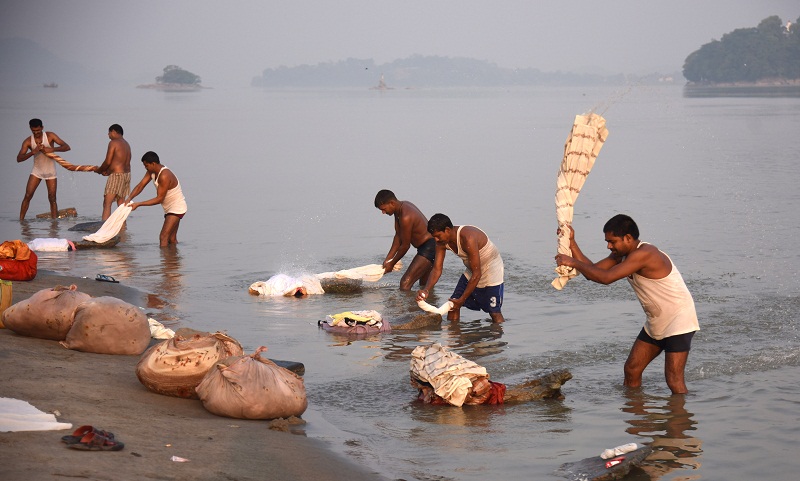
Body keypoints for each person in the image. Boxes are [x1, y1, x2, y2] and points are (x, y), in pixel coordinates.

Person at [554, 214, 700, 394]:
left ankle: (681, 420)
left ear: (628, 238)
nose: (609, 246)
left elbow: (605, 278)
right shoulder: (621, 255)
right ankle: (636, 417)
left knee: (674, 380)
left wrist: (573, 262)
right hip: (657, 320)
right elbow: (594, 272)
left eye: (612, 241)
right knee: (632, 370)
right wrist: (571, 242)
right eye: (607, 242)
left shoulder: (645, 254)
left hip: (679, 320)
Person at [415, 213, 505, 323]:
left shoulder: (468, 237)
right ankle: (454, 337)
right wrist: (426, 289)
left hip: (491, 269)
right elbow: (437, 269)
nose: (436, 240)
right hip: (472, 269)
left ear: (447, 230)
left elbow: (477, 274)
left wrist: (462, 299)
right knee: (453, 306)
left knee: (494, 312)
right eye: (434, 237)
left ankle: (499, 336)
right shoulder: (441, 243)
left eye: (438, 236)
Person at [374, 190, 435, 290]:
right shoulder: (400, 208)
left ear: (392, 203)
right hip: (428, 246)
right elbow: (398, 236)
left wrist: (392, 264)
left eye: (384, 209)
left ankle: (408, 305)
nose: (383, 213)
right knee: (424, 285)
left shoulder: (405, 216)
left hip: (429, 247)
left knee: (405, 283)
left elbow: (405, 246)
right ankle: (425, 304)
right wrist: (388, 259)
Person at [126, 151, 187, 247]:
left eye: (146, 165)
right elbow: (141, 185)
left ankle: (164, 261)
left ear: (153, 164)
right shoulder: (151, 171)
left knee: (163, 236)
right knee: (171, 239)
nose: (145, 168)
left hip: (176, 207)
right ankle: (174, 260)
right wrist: (129, 198)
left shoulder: (164, 175)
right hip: (168, 208)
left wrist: (138, 204)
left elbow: (159, 199)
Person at [16, 118, 71, 220]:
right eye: (34, 131)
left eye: (38, 130)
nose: (36, 133)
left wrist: (52, 149)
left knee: (52, 198)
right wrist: (33, 152)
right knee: (28, 196)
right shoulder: (28, 141)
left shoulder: (50, 136)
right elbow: (19, 158)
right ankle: (21, 221)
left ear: (42, 128)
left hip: (50, 172)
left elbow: (67, 147)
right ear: (30, 129)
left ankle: (54, 224)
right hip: (37, 171)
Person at [95, 124, 132, 220]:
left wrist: (100, 170)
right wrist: (107, 171)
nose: (108, 135)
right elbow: (119, 162)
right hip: (126, 175)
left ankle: (104, 228)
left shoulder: (114, 143)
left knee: (107, 203)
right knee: (121, 203)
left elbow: (108, 161)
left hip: (117, 175)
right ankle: (123, 228)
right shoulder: (127, 144)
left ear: (114, 132)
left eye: (109, 132)